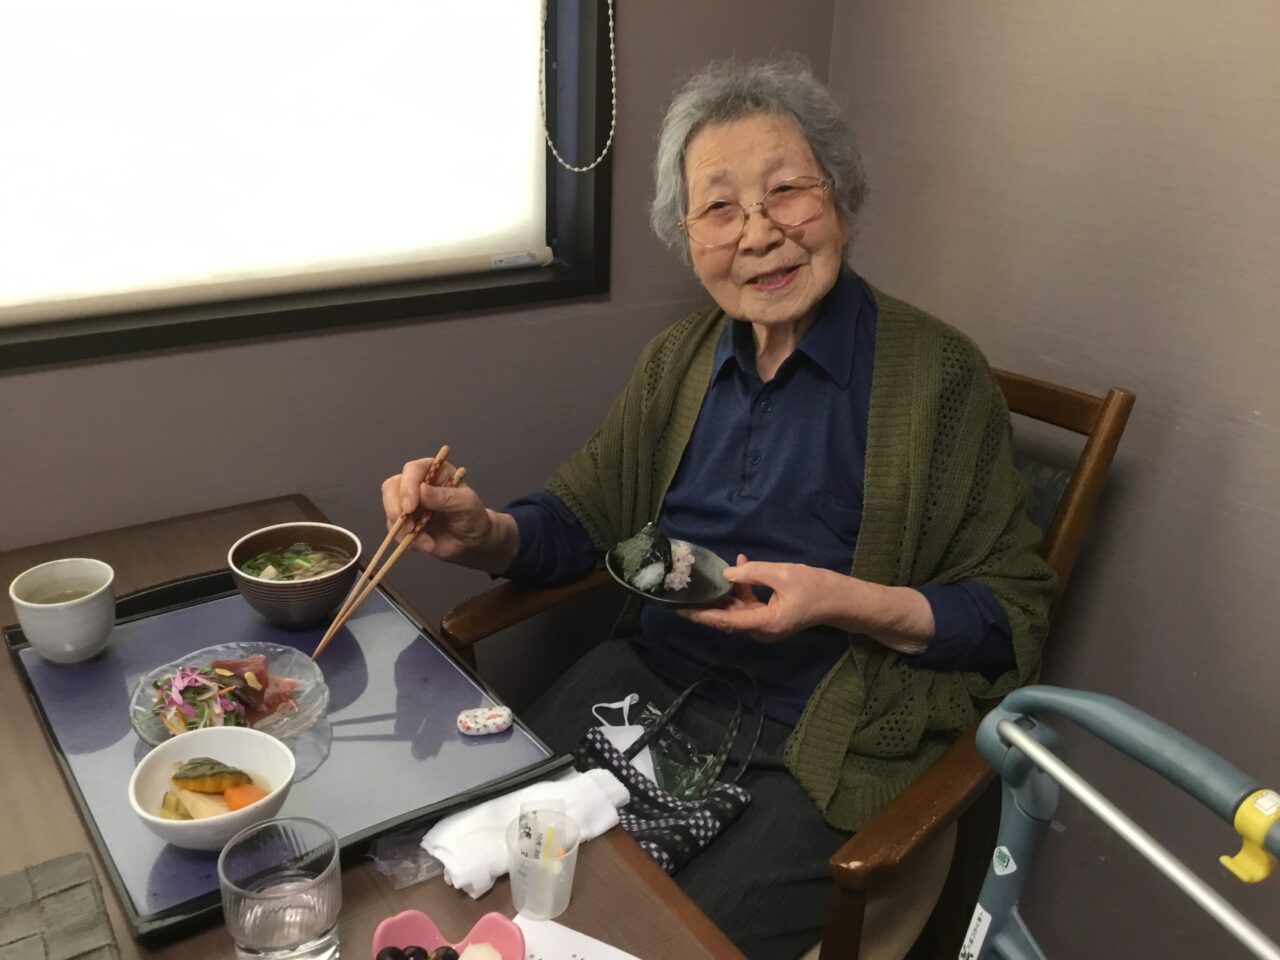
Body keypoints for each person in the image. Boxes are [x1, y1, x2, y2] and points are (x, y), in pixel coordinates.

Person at [382, 57, 1054, 960]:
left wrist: (846, 601)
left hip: (816, 743)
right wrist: (486, 532)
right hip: (642, 689)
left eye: (788, 191)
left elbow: (1009, 615)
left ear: (841, 200)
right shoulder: (680, 360)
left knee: (648, 941)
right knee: (459, 889)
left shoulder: (939, 377)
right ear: (687, 234)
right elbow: (585, 516)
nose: (760, 233)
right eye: (720, 207)